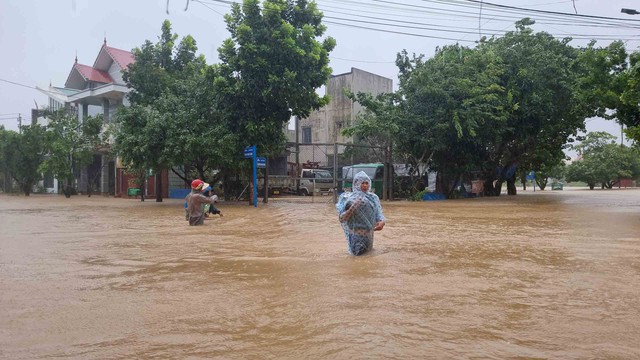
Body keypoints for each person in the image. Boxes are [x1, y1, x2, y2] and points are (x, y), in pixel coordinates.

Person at [336, 171, 386, 255]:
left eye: (367, 183)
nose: (365, 185)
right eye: (362, 183)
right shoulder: (348, 199)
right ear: (356, 183)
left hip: (369, 236)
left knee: (367, 258)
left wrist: (382, 223)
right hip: (356, 236)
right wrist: (353, 207)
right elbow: (342, 219)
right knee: (357, 259)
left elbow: (379, 215)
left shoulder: (373, 198)